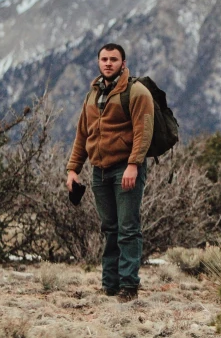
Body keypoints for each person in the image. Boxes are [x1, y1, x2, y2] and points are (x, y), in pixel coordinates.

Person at [66, 43, 154, 301]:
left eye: (113, 59)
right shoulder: (92, 94)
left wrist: (133, 164)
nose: (108, 63)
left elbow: (143, 131)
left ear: (123, 63)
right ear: (98, 62)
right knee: (109, 228)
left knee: (128, 228)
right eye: (104, 59)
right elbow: (83, 133)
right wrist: (73, 169)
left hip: (125, 169)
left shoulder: (136, 92)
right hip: (99, 171)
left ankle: (129, 286)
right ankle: (110, 285)